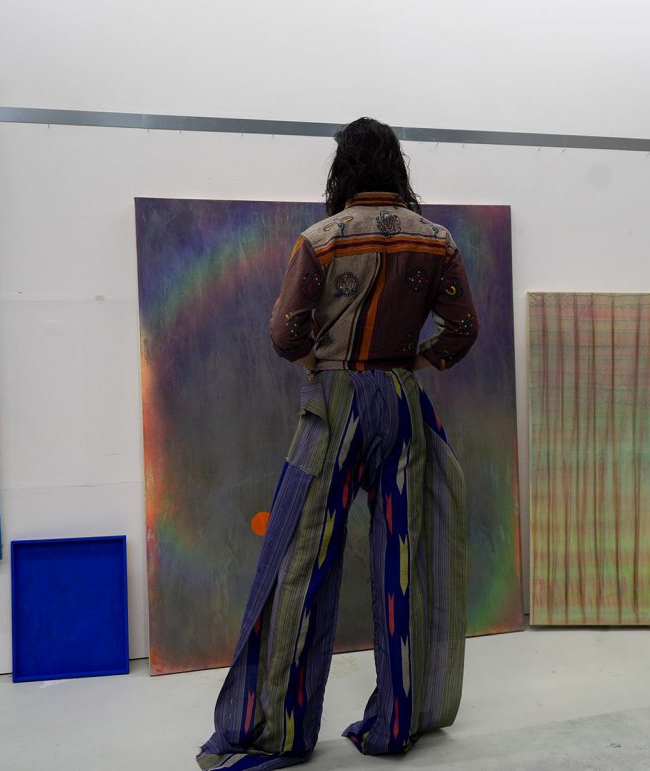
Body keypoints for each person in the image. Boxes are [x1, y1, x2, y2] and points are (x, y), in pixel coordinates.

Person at [197, 117, 478, 770]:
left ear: (343, 169)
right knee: (404, 559)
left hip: (336, 401)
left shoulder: (321, 239)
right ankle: (397, 723)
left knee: (302, 559)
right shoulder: (436, 240)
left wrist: (316, 365)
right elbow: (463, 326)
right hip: (402, 404)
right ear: (396, 167)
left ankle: (281, 730)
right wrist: (416, 364)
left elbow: (284, 332)